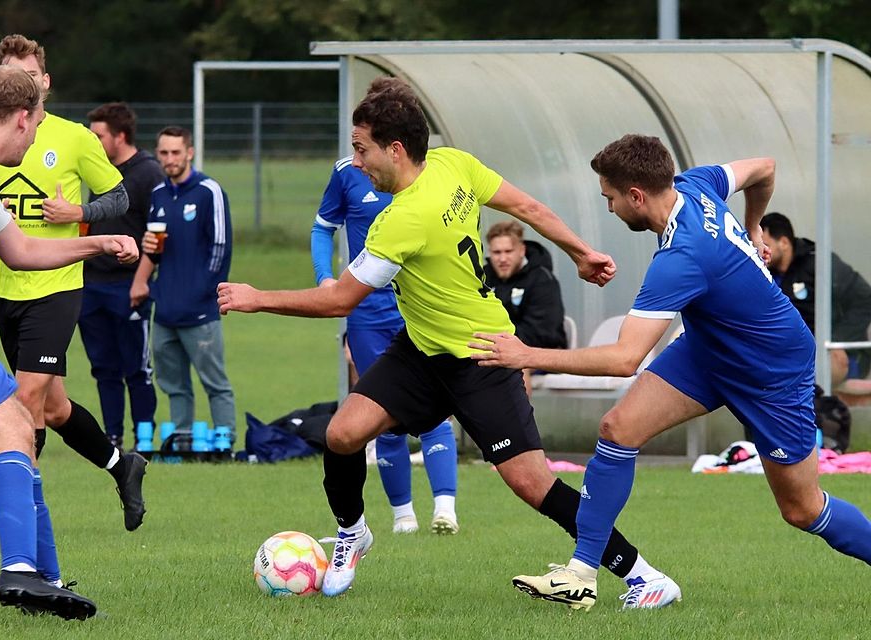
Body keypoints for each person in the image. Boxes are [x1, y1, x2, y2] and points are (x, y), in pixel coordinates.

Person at [217, 78, 680, 608]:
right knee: (343, 434)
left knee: (532, 484)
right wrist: (580, 251)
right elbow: (528, 206)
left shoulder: (399, 221)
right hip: (421, 352)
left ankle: (644, 575)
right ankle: (352, 534)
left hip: (484, 353)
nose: (357, 162)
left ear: (395, 149)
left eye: (361, 149)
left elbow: (341, 300)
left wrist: (257, 297)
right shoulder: (453, 163)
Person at [471, 134, 871, 610]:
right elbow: (763, 166)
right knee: (618, 429)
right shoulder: (696, 183)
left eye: (611, 198)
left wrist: (526, 355)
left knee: (801, 509)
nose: (611, 209)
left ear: (636, 195)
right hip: (709, 349)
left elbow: (623, 359)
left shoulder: (682, 257)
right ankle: (585, 573)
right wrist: (753, 226)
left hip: (772, 370)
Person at [0, 64, 138, 619]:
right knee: (12, 421)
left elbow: (20, 252)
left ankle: (46, 580)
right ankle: (21, 571)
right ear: (21, 117)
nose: (38, 135)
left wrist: (97, 243)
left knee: (10, 422)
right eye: (38, 124)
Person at [0, 35, 149, 538]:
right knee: (54, 406)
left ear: (44, 81)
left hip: (57, 288)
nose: (20, 86)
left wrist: (80, 214)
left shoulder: (73, 138)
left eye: (27, 76)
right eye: (9, 77)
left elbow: (119, 199)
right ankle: (120, 465)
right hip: (7, 288)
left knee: (23, 402)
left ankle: (11, 516)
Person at [311, 156, 459, 535]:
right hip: (367, 315)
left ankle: (445, 509)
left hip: (419, 307)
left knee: (437, 406)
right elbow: (322, 228)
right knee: (383, 412)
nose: (360, 152)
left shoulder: (426, 170)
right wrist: (325, 277)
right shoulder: (346, 173)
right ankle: (402, 517)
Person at [132, 126, 235, 440]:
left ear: (189, 152)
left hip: (200, 310)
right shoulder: (160, 194)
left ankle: (225, 440)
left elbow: (220, 247)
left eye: (176, 152)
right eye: (163, 153)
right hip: (165, 309)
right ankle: (182, 439)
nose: (170, 159)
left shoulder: (209, 191)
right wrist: (150, 280)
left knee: (214, 382)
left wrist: (203, 292)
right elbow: (156, 248)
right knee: (173, 384)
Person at [80, 102, 161, 448]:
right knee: (103, 369)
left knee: (136, 369)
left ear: (120, 136)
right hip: (91, 285)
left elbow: (158, 234)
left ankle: (143, 438)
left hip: (127, 285)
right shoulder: (98, 171)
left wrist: (141, 279)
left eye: (98, 135)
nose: (92, 141)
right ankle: (112, 437)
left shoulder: (148, 173)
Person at [760, 211, 871, 387]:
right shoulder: (764, 273)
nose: (760, 251)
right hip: (791, 354)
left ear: (784, 243)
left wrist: (834, 341)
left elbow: (865, 299)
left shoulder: (818, 262)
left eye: (765, 245)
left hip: (835, 355)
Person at [484, 219, 568, 395]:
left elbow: (542, 333)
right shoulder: (483, 279)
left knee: (515, 364)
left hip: (541, 352)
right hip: (494, 348)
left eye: (508, 251)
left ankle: (517, 422)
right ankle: (447, 423)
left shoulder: (542, 280)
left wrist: (501, 342)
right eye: (496, 252)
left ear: (521, 250)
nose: (502, 259)